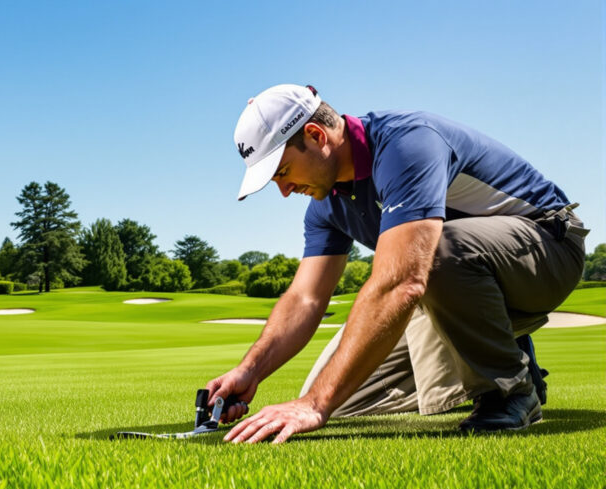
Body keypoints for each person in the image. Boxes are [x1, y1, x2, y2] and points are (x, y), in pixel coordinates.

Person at [206, 84, 588, 444]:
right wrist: (250, 370)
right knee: (344, 400)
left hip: (549, 248)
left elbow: (403, 281)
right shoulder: (325, 204)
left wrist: (315, 407)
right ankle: (516, 360)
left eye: (283, 172)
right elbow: (305, 299)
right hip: (459, 277)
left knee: (436, 254)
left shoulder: (405, 145)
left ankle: (508, 389)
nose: (284, 191)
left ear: (316, 136)